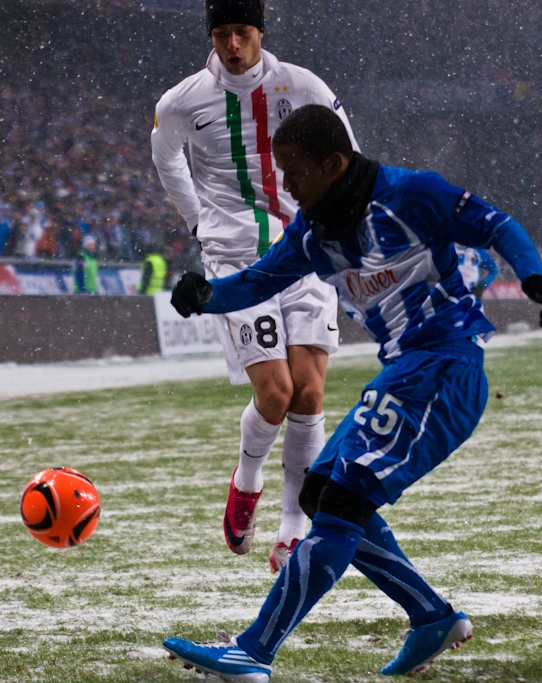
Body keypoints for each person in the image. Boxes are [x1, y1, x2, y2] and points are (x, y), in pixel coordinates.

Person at [161, 104, 542, 682]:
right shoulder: (311, 232)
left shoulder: (409, 194)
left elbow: (496, 225)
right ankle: (431, 617)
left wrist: (533, 277)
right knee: (320, 492)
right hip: (406, 371)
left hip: (445, 368)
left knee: (342, 505)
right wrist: (206, 295)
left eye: (296, 172)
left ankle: (253, 652)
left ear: (334, 162)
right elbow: (256, 281)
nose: (287, 186)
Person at [150, 0, 358, 572]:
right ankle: (246, 480)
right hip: (237, 257)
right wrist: (197, 220)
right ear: (212, 36)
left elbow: (351, 153)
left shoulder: (304, 85)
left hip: (305, 248)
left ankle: (293, 527)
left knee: (310, 392)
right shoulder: (182, 101)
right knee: (275, 393)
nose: (233, 45)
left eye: (243, 32)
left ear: (260, 32)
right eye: (223, 34)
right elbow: (165, 155)